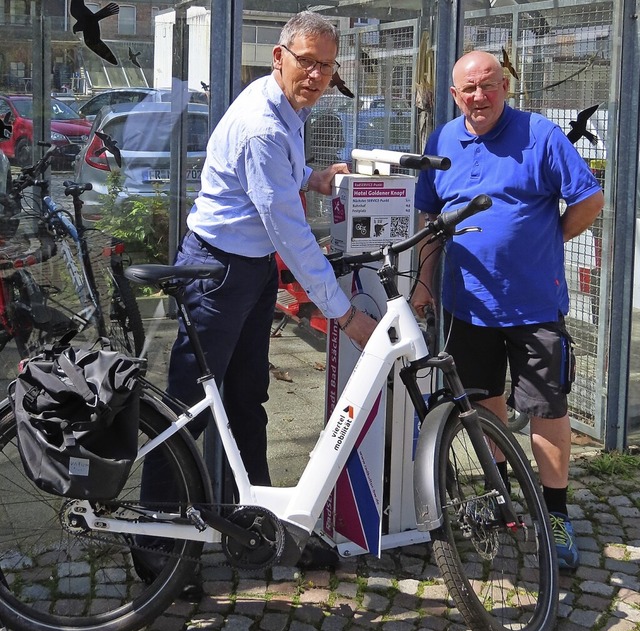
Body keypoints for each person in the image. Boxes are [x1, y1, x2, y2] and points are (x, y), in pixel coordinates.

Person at [133, 11, 377, 593]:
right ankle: (154, 551)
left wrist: (314, 177)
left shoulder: (286, 107)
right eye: (306, 62)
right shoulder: (263, 124)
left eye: (326, 64)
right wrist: (343, 312)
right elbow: (289, 232)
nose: (316, 75)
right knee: (185, 413)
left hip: (248, 270)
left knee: (247, 402)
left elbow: (273, 186)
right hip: (216, 274)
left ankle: (262, 528)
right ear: (279, 57)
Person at [411, 50, 604, 571]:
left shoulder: (540, 135)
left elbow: (589, 199)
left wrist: (548, 239)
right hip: (466, 306)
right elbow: (430, 215)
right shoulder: (443, 140)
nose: (479, 96)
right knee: (482, 402)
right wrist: (425, 284)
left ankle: (555, 514)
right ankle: (500, 496)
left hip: (533, 305)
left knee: (547, 409)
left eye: (488, 85)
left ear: (505, 86)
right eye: (468, 88)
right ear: (454, 95)